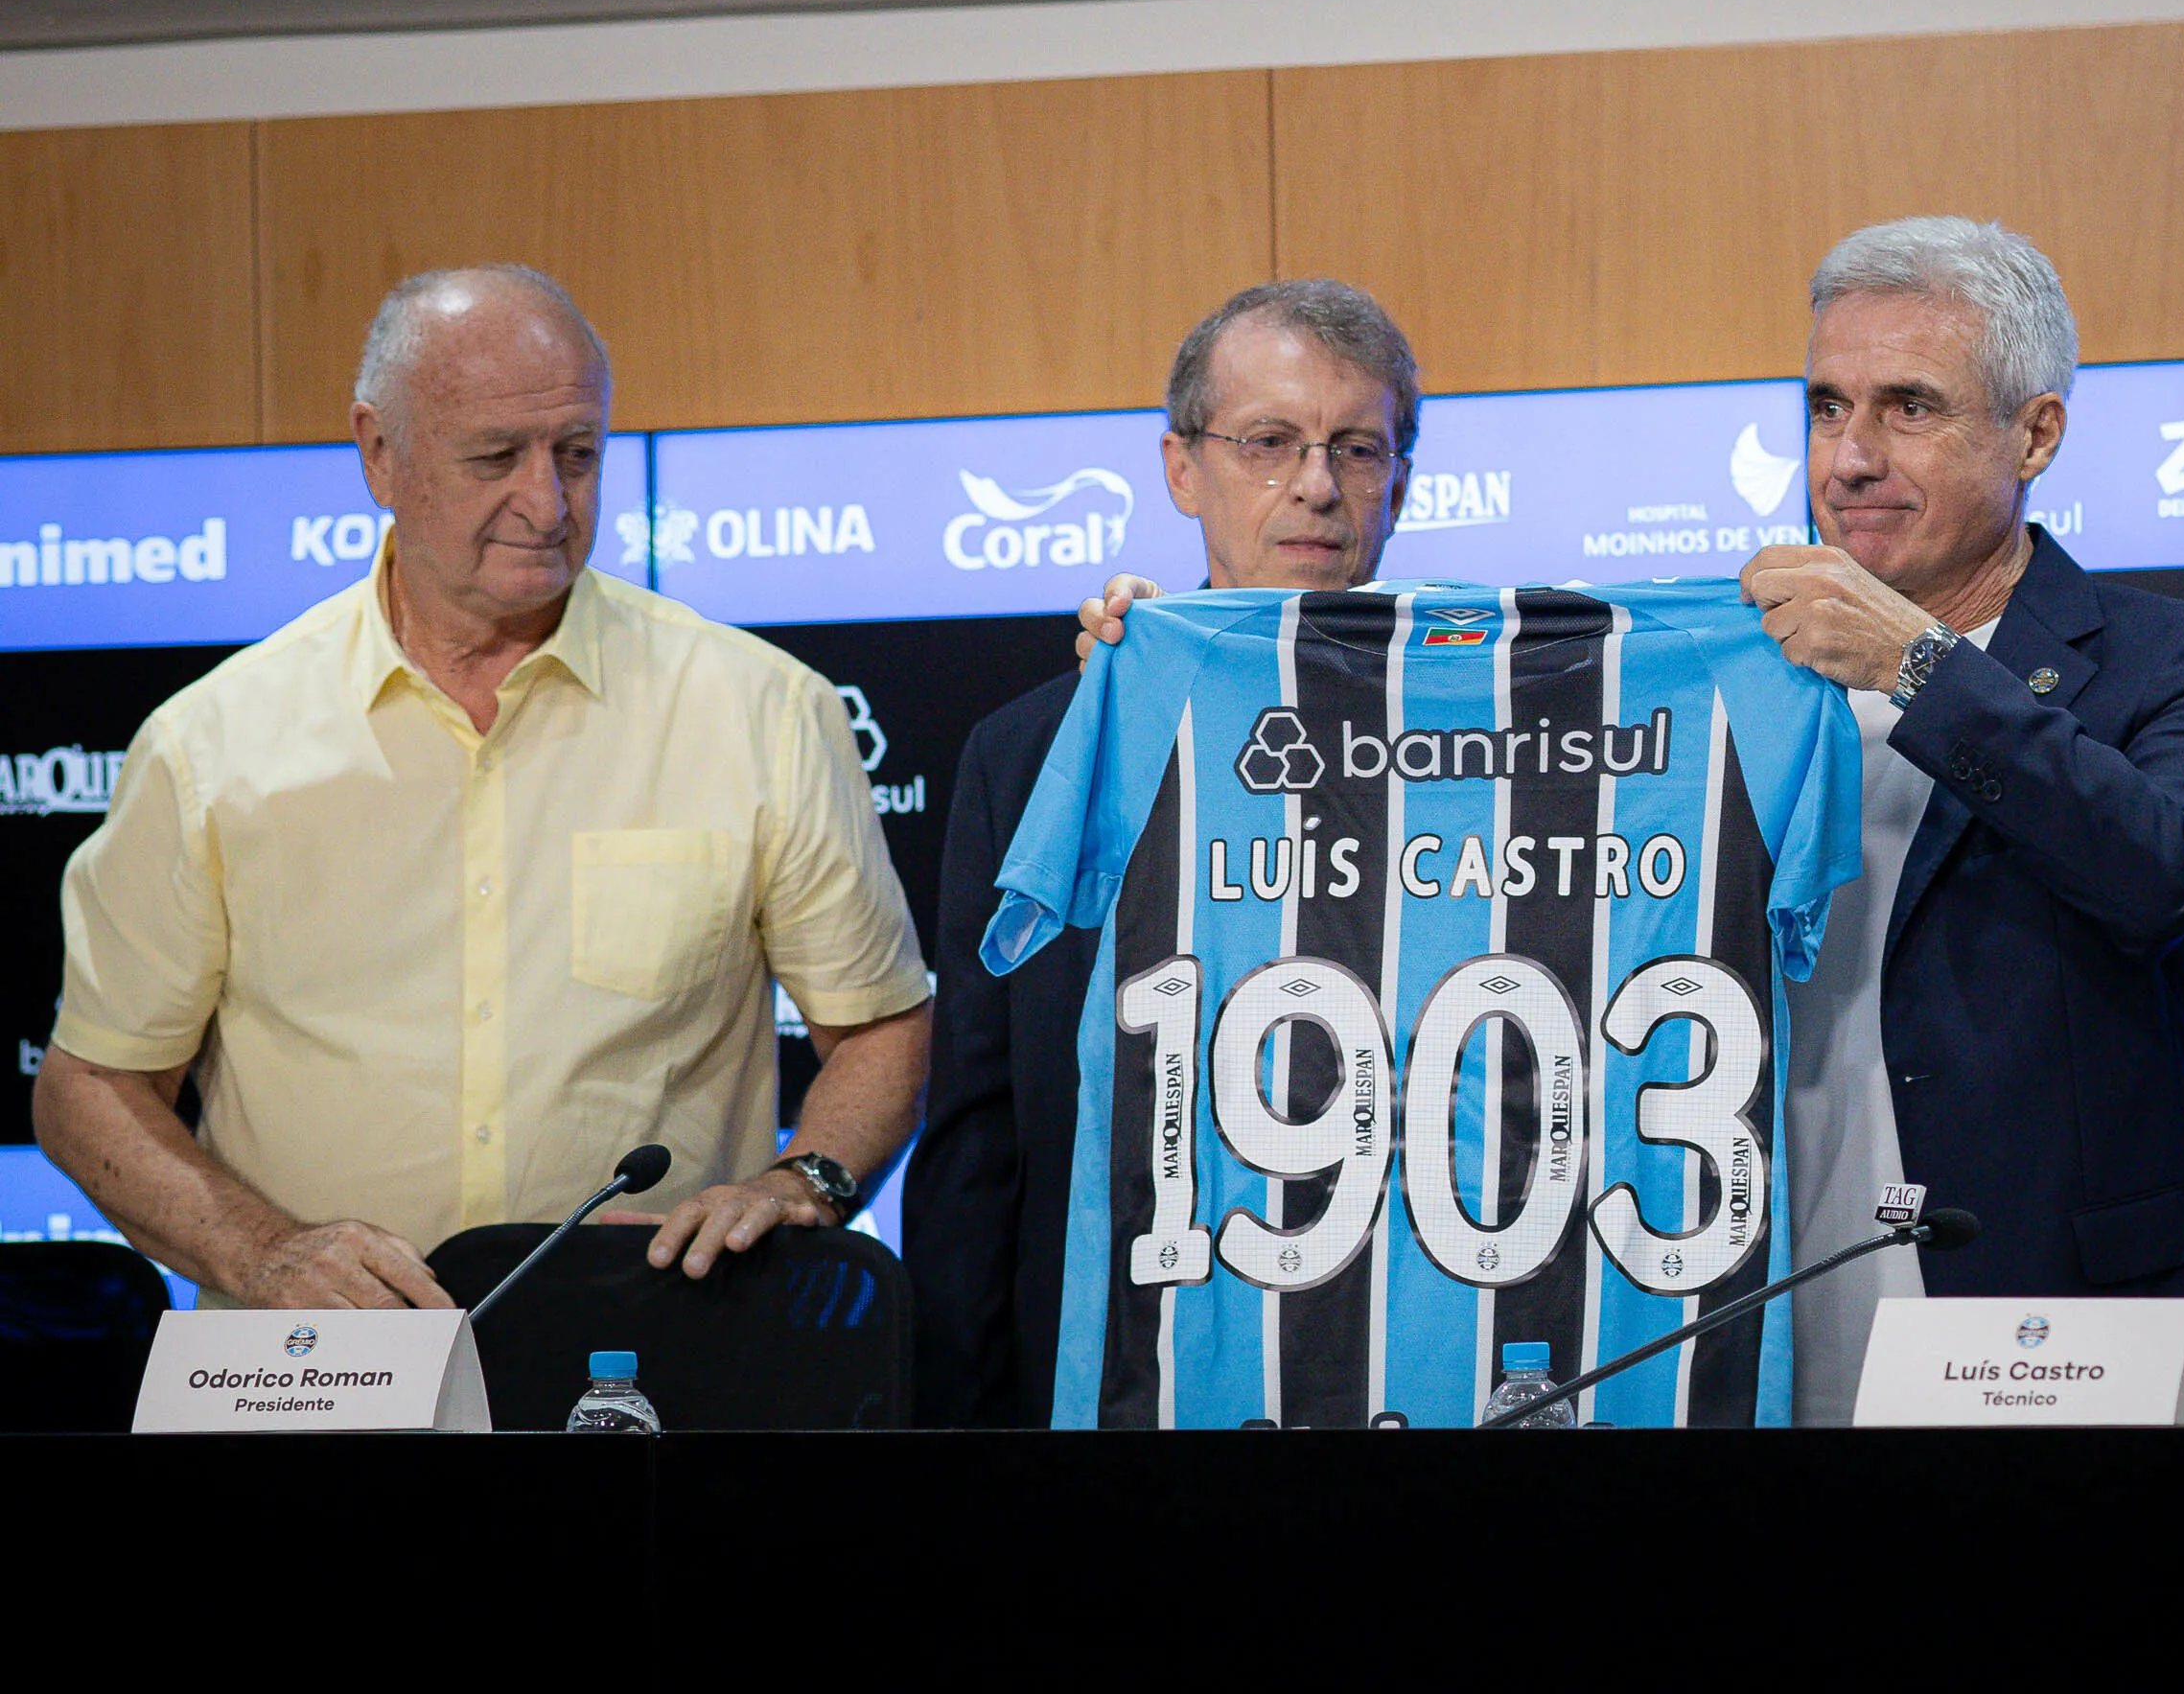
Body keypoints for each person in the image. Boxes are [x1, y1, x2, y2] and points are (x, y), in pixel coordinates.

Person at [33, 266, 931, 1308]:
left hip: (643, 1365)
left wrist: (802, 1178)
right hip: (314, 1381)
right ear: (380, 451)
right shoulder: (210, 744)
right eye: (497, 457)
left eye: (578, 454)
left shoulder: (760, 708)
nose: (546, 502)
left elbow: (878, 1023)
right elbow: (91, 1083)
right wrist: (264, 1253)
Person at [1741, 217, 2184, 1423]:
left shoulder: (2181, 657)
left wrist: (1921, 667)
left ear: (2035, 432)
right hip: (1778, 1319)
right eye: (1828, 406)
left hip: (2066, 1329)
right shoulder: (1736, 678)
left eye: (1909, 406)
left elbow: (2165, 873)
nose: (1850, 456)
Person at [908, 277, 1418, 1427]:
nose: (1318, 486)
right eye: (1268, 442)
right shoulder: (1041, 750)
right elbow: (981, 1146)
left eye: (1357, 448)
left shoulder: (1506, 743)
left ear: (1403, 480)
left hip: (1409, 1367)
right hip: (1116, 1381)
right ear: (1181, 468)